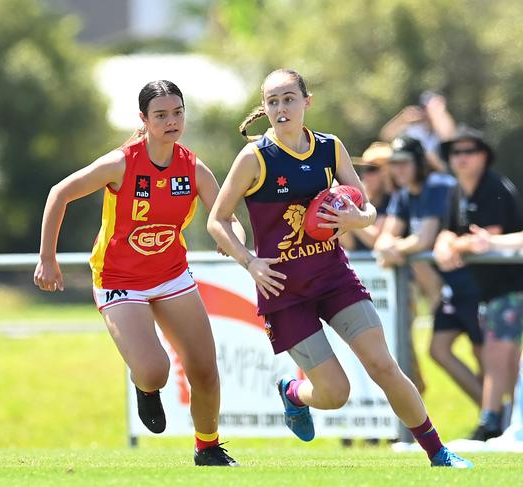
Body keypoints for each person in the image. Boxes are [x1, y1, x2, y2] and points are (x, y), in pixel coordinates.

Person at [207, 68, 472, 468]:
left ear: (306, 102)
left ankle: (438, 452)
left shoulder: (330, 148)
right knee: (335, 393)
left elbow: (366, 209)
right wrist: (249, 262)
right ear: (264, 108)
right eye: (273, 101)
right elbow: (217, 219)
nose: (281, 108)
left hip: (333, 277)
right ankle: (294, 392)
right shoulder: (255, 157)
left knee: (384, 364)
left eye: (289, 99)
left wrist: (355, 220)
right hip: (283, 290)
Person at [33, 80, 244, 466]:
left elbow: (226, 219)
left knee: (205, 369)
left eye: (177, 113)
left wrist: (232, 239)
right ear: (143, 119)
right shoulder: (121, 163)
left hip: (171, 275)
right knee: (155, 371)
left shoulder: (194, 168)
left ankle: (208, 447)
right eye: (161, 115)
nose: (171, 121)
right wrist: (48, 258)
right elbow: (58, 193)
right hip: (118, 280)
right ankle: (144, 387)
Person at [374, 136, 483, 406]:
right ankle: (494, 418)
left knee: (487, 357)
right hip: (453, 289)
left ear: (419, 162)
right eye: (394, 164)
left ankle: (501, 421)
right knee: (439, 349)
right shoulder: (402, 194)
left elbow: (424, 239)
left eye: (404, 163)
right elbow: (384, 239)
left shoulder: (437, 185)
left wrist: (395, 248)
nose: (397, 170)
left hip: (476, 283)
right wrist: (391, 246)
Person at [434, 126, 523, 440]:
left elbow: (489, 237)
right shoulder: (457, 190)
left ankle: (490, 422)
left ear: (484, 155)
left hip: (512, 286)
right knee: (503, 357)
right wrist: (445, 244)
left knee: (499, 353)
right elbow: (449, 231)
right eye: (456, 152)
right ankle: (506, 422)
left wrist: (454, 246)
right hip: (491, 289)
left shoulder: (493, 187)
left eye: (469, 151)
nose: (462, 158)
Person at [380, 91, 456, 173]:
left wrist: (437, 113)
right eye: (424, 108)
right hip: (416, 173)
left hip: (440, 173)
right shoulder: (417, 129)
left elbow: (448, 137)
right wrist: (402, 119)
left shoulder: (443, 126)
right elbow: (385, 136)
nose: (426, 112)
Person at [339, 142, 393, 252]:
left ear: (387, 172)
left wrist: (351, 216)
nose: (364, 175)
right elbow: (350, 245)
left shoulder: (394, 199)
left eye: (370, 169)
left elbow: (374, 240)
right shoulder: (361, 200)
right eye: (363, 170)